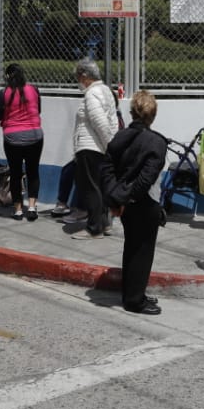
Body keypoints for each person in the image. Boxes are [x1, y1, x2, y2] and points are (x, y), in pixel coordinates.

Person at [105, 89, 168, 315]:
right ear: (152, 115)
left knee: (131, 248)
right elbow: (146, 179)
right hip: (143, 201)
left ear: (132, 112)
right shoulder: (156, 142)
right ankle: (134, 299)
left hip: (125, 201)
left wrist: (116, 197)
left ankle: (133, 292)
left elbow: (108, 168)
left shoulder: (119, 137)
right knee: (142, 251)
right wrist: (128, 198)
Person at [70, 57, 119, 239]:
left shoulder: (92, 94)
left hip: (91, 147)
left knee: (90, 188)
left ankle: (94, 228)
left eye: (78, 77)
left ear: (85, 76)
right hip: (100, 147)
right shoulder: (105, 91)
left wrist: (109, 146)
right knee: (99, 187)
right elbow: (110, 122)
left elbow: (99, 122)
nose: (78, 81)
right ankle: (104, 223)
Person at [0, 63, 44, 221]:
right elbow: (38, 110)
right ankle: (32, 207)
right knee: (33, 172)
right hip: (35, 136)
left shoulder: (4, 93)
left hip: (12, 138)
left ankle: (17, 210)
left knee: (15, 173)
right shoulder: (34, 90)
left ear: (8, 77)